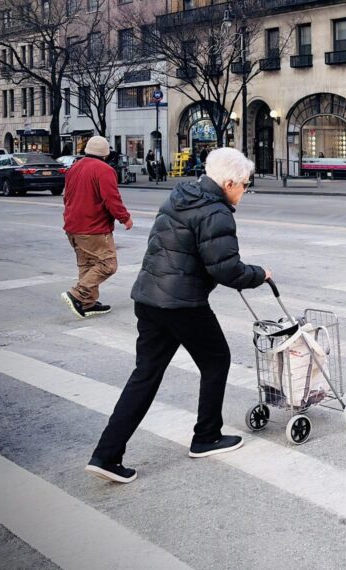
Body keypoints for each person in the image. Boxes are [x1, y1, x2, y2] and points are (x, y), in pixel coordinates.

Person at [86, 148, 272, 484]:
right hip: (182, 303)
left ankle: (106, 455)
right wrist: (261, 274)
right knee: (217, 360)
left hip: (149, 297)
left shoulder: (180, 196)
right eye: (244, 184)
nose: (244, 190)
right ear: (228, 183)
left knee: (145, 374)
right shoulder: (217, 212)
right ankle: (206, 437)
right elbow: (227, 269)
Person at [61, 136, 132, 318]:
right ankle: (77, 294)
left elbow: (66, 197)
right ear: (106, 154)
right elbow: (112, 199)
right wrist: (125, 218)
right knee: (108, 264)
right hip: (93, 227)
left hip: (73, 226)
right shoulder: (104, 170)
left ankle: (86, 303)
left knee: (87, 264)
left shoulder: (74, 168)